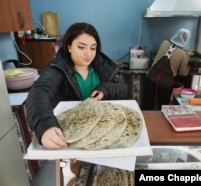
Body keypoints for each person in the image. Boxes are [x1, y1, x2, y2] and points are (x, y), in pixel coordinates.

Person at [25, 22, 128, 150]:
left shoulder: (100, 65)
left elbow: (121, 86)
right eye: (81, 47)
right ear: (69, 47)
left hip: (102, 132)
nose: (88, 54)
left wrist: (105, 90)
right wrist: (45, 125)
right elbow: (39, 92)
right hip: (71, 136)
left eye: (93, 48)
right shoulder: (58, 69)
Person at [142, 28, 190, 110]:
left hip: (151, 78)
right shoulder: (183, 54)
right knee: (162, 107)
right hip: (165, 83)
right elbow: (183, 72)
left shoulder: (164, 43)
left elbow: (169, 55)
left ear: (176, 34)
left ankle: (146, 121)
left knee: (147, 104)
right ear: (186, 39)